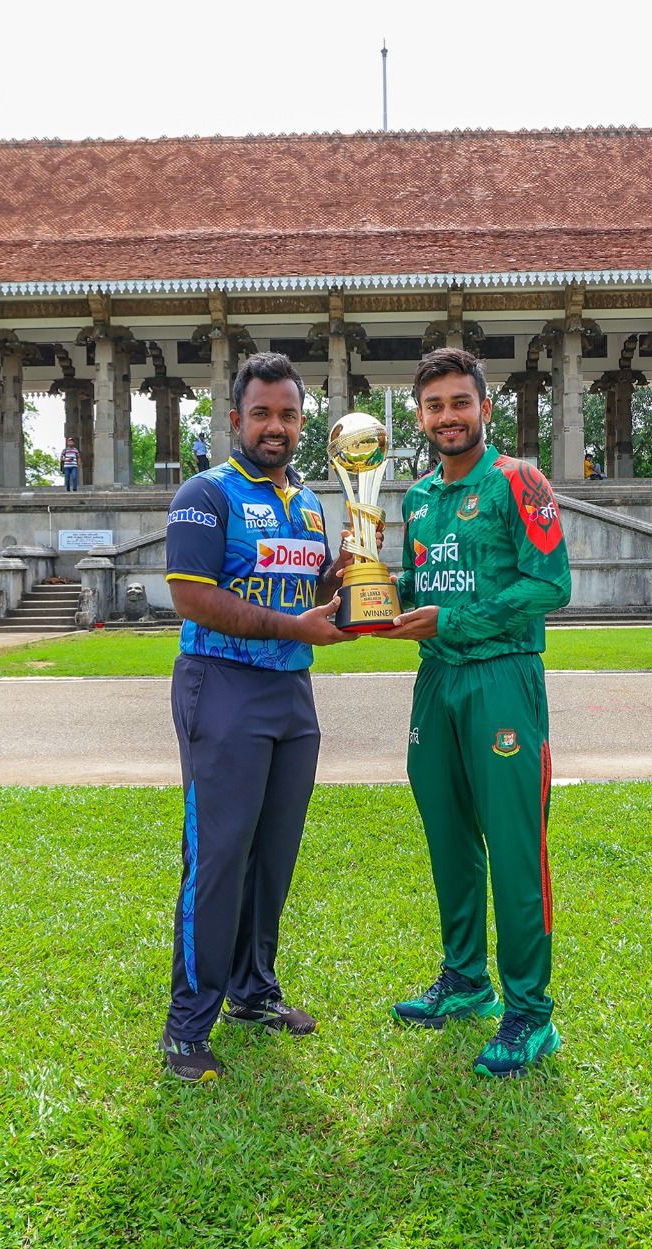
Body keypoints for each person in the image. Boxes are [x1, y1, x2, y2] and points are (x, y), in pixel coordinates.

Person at [161, 352, 355, 1084]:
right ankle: (187, 1028)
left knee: (272, 857)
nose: (276, 427)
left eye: (289, 415)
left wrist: (347, 573)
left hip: (290, 694)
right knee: (217, 857)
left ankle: (253, 993)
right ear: (236, 419)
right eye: (263, 414)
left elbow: (306, 585)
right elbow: (194, 597)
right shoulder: (205, 494)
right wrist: (290, 627)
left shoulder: (308, 502)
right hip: (224, 683)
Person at [382, 347, 572, 1079]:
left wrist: (452, 621)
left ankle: (529, 1012)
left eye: (460, 402)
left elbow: (549, 584)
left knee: (516, 846)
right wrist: (368, 584)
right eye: (434, 406)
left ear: (485, 409)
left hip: (501, 677)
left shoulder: (519, 480)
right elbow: (415, 581)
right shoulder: (419, 498)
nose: (447, 417)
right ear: (421, 417)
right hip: (436, 682)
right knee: (449, 837)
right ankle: (465, 980)